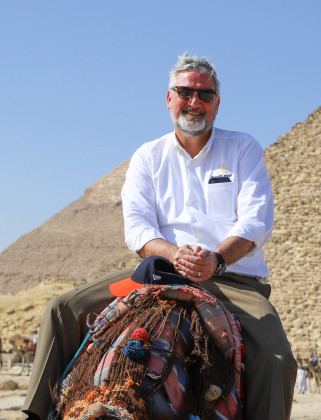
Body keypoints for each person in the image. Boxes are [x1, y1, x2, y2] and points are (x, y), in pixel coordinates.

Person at [23, 52, 297, 420]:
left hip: (229, 279)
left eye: (205, 95)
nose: (194, 102)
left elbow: (255, 222)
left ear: (217, 103)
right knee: (61, 309)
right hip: (160, 271)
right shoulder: (147, 157)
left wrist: (214, 260)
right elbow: (137, 228)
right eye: (185, 93)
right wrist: (175, 254)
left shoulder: (242, 148)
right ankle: (33, 414)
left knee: (277, 359)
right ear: (169, 99)